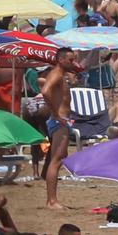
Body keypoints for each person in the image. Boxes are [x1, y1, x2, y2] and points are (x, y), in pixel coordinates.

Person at [39, 51, 78, 211]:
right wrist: (55, 113)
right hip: (59, 120)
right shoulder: (56, 74)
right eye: (70, 60)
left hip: (61, 120)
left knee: (59, 158)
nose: (73, 63)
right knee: (56, 160)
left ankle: (52, 200)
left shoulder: (60, 74)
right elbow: (45, 91)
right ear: (61, 59)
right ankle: (52, 201)